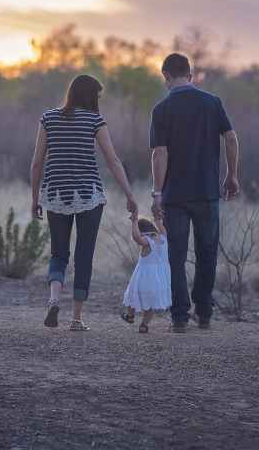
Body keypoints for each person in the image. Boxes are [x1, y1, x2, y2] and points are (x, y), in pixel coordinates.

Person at [30, 74, 138, 331]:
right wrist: (129, 194)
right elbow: (112, 161)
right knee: (84, 254)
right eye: (97, 96)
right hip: (88, 195)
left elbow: (36, 162)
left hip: (55, 194)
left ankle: (54, 299)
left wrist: (35, 198)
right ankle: (76, 319)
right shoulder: (94, 121)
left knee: (58, 252)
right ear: (90, 96)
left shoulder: (49, 118)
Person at [150, 53, 241, 333]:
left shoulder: (162, 109)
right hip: (206, 192)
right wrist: (231, 175)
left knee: (175, 256)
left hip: (175, 195)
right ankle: (204, 313)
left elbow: (159, 153)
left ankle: (179, 316)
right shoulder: (212, 103)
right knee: (207, 253)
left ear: (166, 76)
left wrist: (156, 192)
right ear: (190, 75)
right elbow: (231, 137)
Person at [122, 215, 171, 334]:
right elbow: (162, 227)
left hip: (144, 277)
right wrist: (157, 219)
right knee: (151, 303)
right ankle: (144, 325)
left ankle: (130, 316)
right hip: (160, 279)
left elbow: (136, 237)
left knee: (132, 295)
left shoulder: (147, 241)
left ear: (142, 232)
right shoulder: (163, 237)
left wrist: (134, 222)